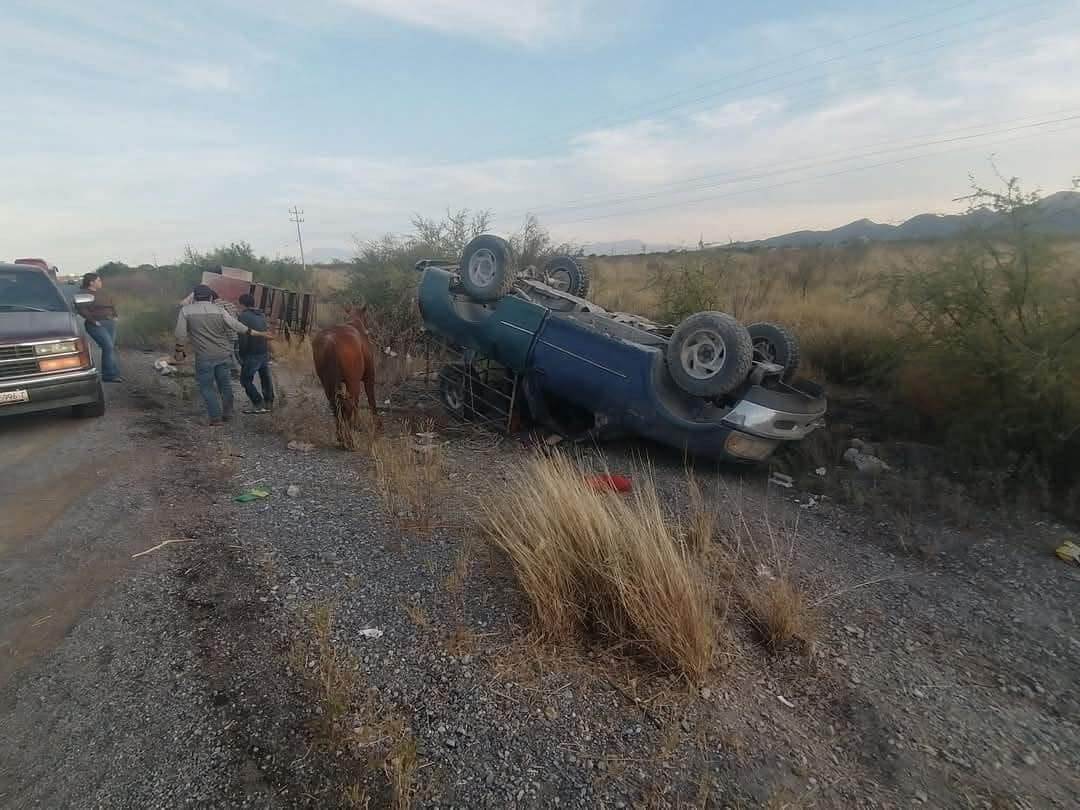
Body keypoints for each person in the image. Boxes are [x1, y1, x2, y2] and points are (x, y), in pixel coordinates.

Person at [175, 284, 271, 426]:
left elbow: (180, 334)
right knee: (225, 385)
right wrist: (260, 333)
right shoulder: (220, 310)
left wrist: (179, 351)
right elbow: (237, 326)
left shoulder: (186, 311)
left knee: (207, 387)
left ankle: (215, 418)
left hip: (204, 356)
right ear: (211, 297)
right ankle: (228, 413)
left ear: (195, 297)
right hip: (223, 354)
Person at [77, 272, 123, 382]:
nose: (100, 282)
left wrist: (115, 316)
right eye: (98, 280)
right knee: (108, 346)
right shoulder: (83, 294)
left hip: (109, 322)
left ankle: (113, 373)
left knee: (110, 348)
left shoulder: (103, 293)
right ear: (91, 282)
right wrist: (93, 321)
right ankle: (109, 375)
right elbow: (82, 309)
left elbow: (112, 305)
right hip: (96, 324)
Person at [236, 293, 275, 413]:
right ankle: (269, 403)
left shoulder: (244, 316)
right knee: (265, 378)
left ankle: (258, 403)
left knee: (245, 380)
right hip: (263, 351)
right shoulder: (261, 314)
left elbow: (243, 337)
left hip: (251, 353)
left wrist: (241, 355)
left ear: (242, 304)